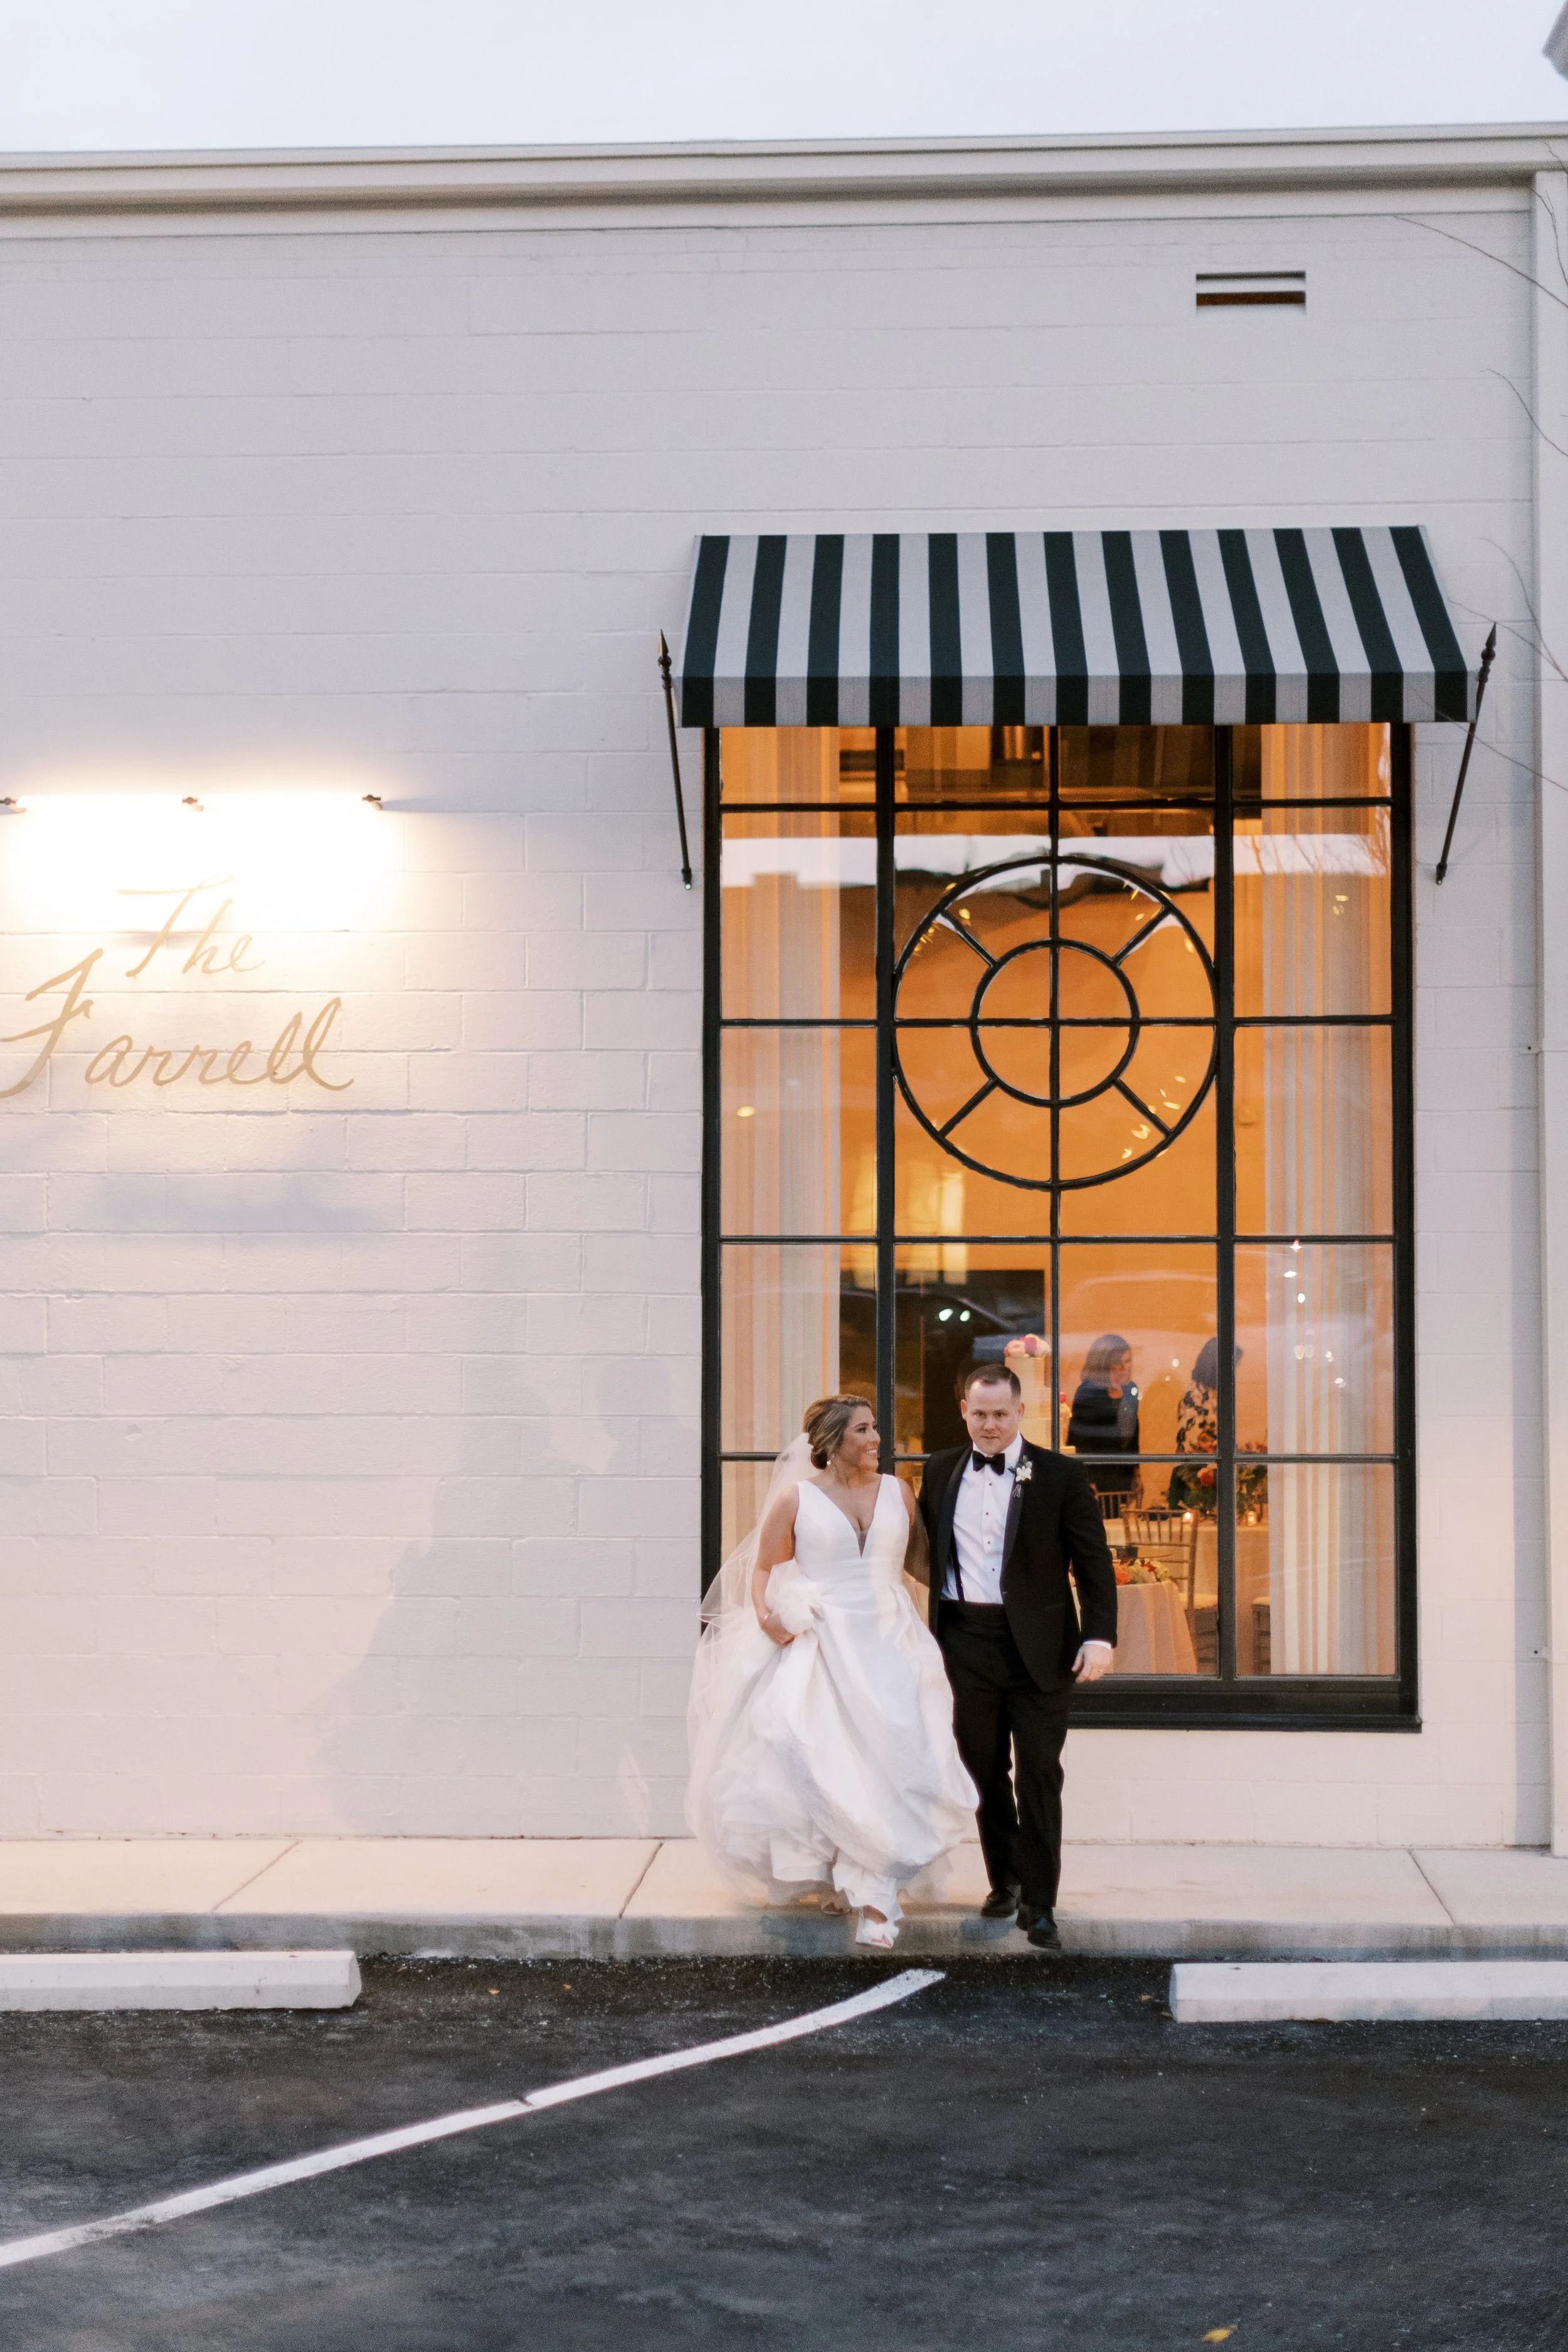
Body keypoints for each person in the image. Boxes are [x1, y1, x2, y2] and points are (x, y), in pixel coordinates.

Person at [686, 1394, 978, 1951]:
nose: (877, 1439)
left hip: (893, 1641)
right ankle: (862, 1892)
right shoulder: (798, 1499)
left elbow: (920, 1564)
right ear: (833, 1441)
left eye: (875, 1429)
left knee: (900, 1757)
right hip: (824, 1639)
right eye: (865, 1430)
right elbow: (764, 1568)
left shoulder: (900, 1493)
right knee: (823, 1758)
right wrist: (771, 1618)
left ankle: (879, 1881)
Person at [918, 1364, 1118, 1951]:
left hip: (1041, 1650)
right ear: (963, 1410)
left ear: (1020, 1412)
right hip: (964, 1643)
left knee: (1038, 1773)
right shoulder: (939, 1469)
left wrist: (1098, 1637)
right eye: (979, 1413)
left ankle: (1041, 1901)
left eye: (1001, 1414)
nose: (989, 1425)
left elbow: (1094, 1563)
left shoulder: (1060, 1474)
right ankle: (1002, 1880)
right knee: (982, 1771)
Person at [1066, 1332, 1141, 1508]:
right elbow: (1080, 1441)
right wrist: (1088, 1482)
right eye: (1118, 1363)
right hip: (1097, 1478)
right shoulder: (1088, 1392)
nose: (1125, 1368)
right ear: (1104, 1365)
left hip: (1124, 1476)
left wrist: (1137, 1473)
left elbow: (1133, 1437)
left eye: (1128, 1361)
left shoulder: (1131, 1391)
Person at [1167, 1337, 1224, 1513]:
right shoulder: (1194, 1398)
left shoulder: (1217, 1395)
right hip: (1192, 1480)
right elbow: (1196, 1441)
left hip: (1208, 1478)